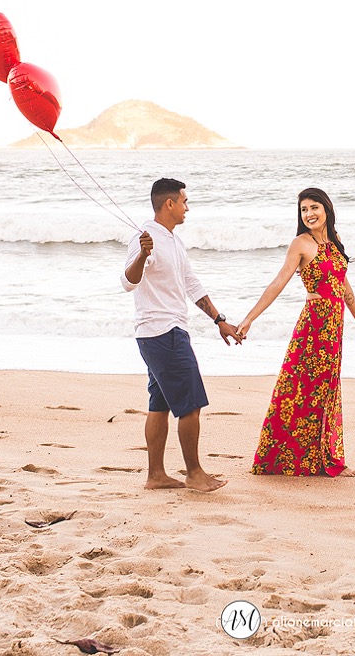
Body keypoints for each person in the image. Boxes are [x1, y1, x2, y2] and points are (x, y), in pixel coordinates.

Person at [239, 188, 355, 477]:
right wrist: (249, 318)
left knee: (327, 391)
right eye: (303, 209)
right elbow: (278, 283)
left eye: (314, 207)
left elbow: (344, 288)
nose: (309, 214)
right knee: (299, 389)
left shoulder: (335, 244)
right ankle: (282, 457)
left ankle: (325, 458)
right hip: (313, 327)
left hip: (334, 329)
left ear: (326, 209)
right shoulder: (301, 243)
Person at [121, 178, 240, 492]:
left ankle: (156, 475)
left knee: (159, 405)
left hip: (164, 332)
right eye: (184, 201)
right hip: (162, 332)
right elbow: (128, 281)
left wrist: (219, 319)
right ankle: (194, 472)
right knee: (191, 404)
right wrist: (142, 256)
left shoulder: (173, 240)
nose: (188, 207)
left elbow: (191, 284)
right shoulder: (145, 238)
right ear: (169, 204)